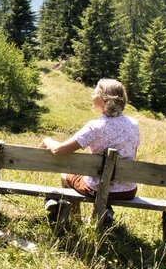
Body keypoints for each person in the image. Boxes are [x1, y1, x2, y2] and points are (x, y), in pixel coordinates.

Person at [39, 78, 140, 223]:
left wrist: (46, 140)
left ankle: (76, 220)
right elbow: (133, 154)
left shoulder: (95, 126)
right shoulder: (134, 124)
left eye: (95, 93)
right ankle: (99, 217)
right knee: (99, 178)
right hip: (128, 191)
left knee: (65, 175)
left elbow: (59, 151)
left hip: (97, 189)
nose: (92, 96)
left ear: (104, 100)